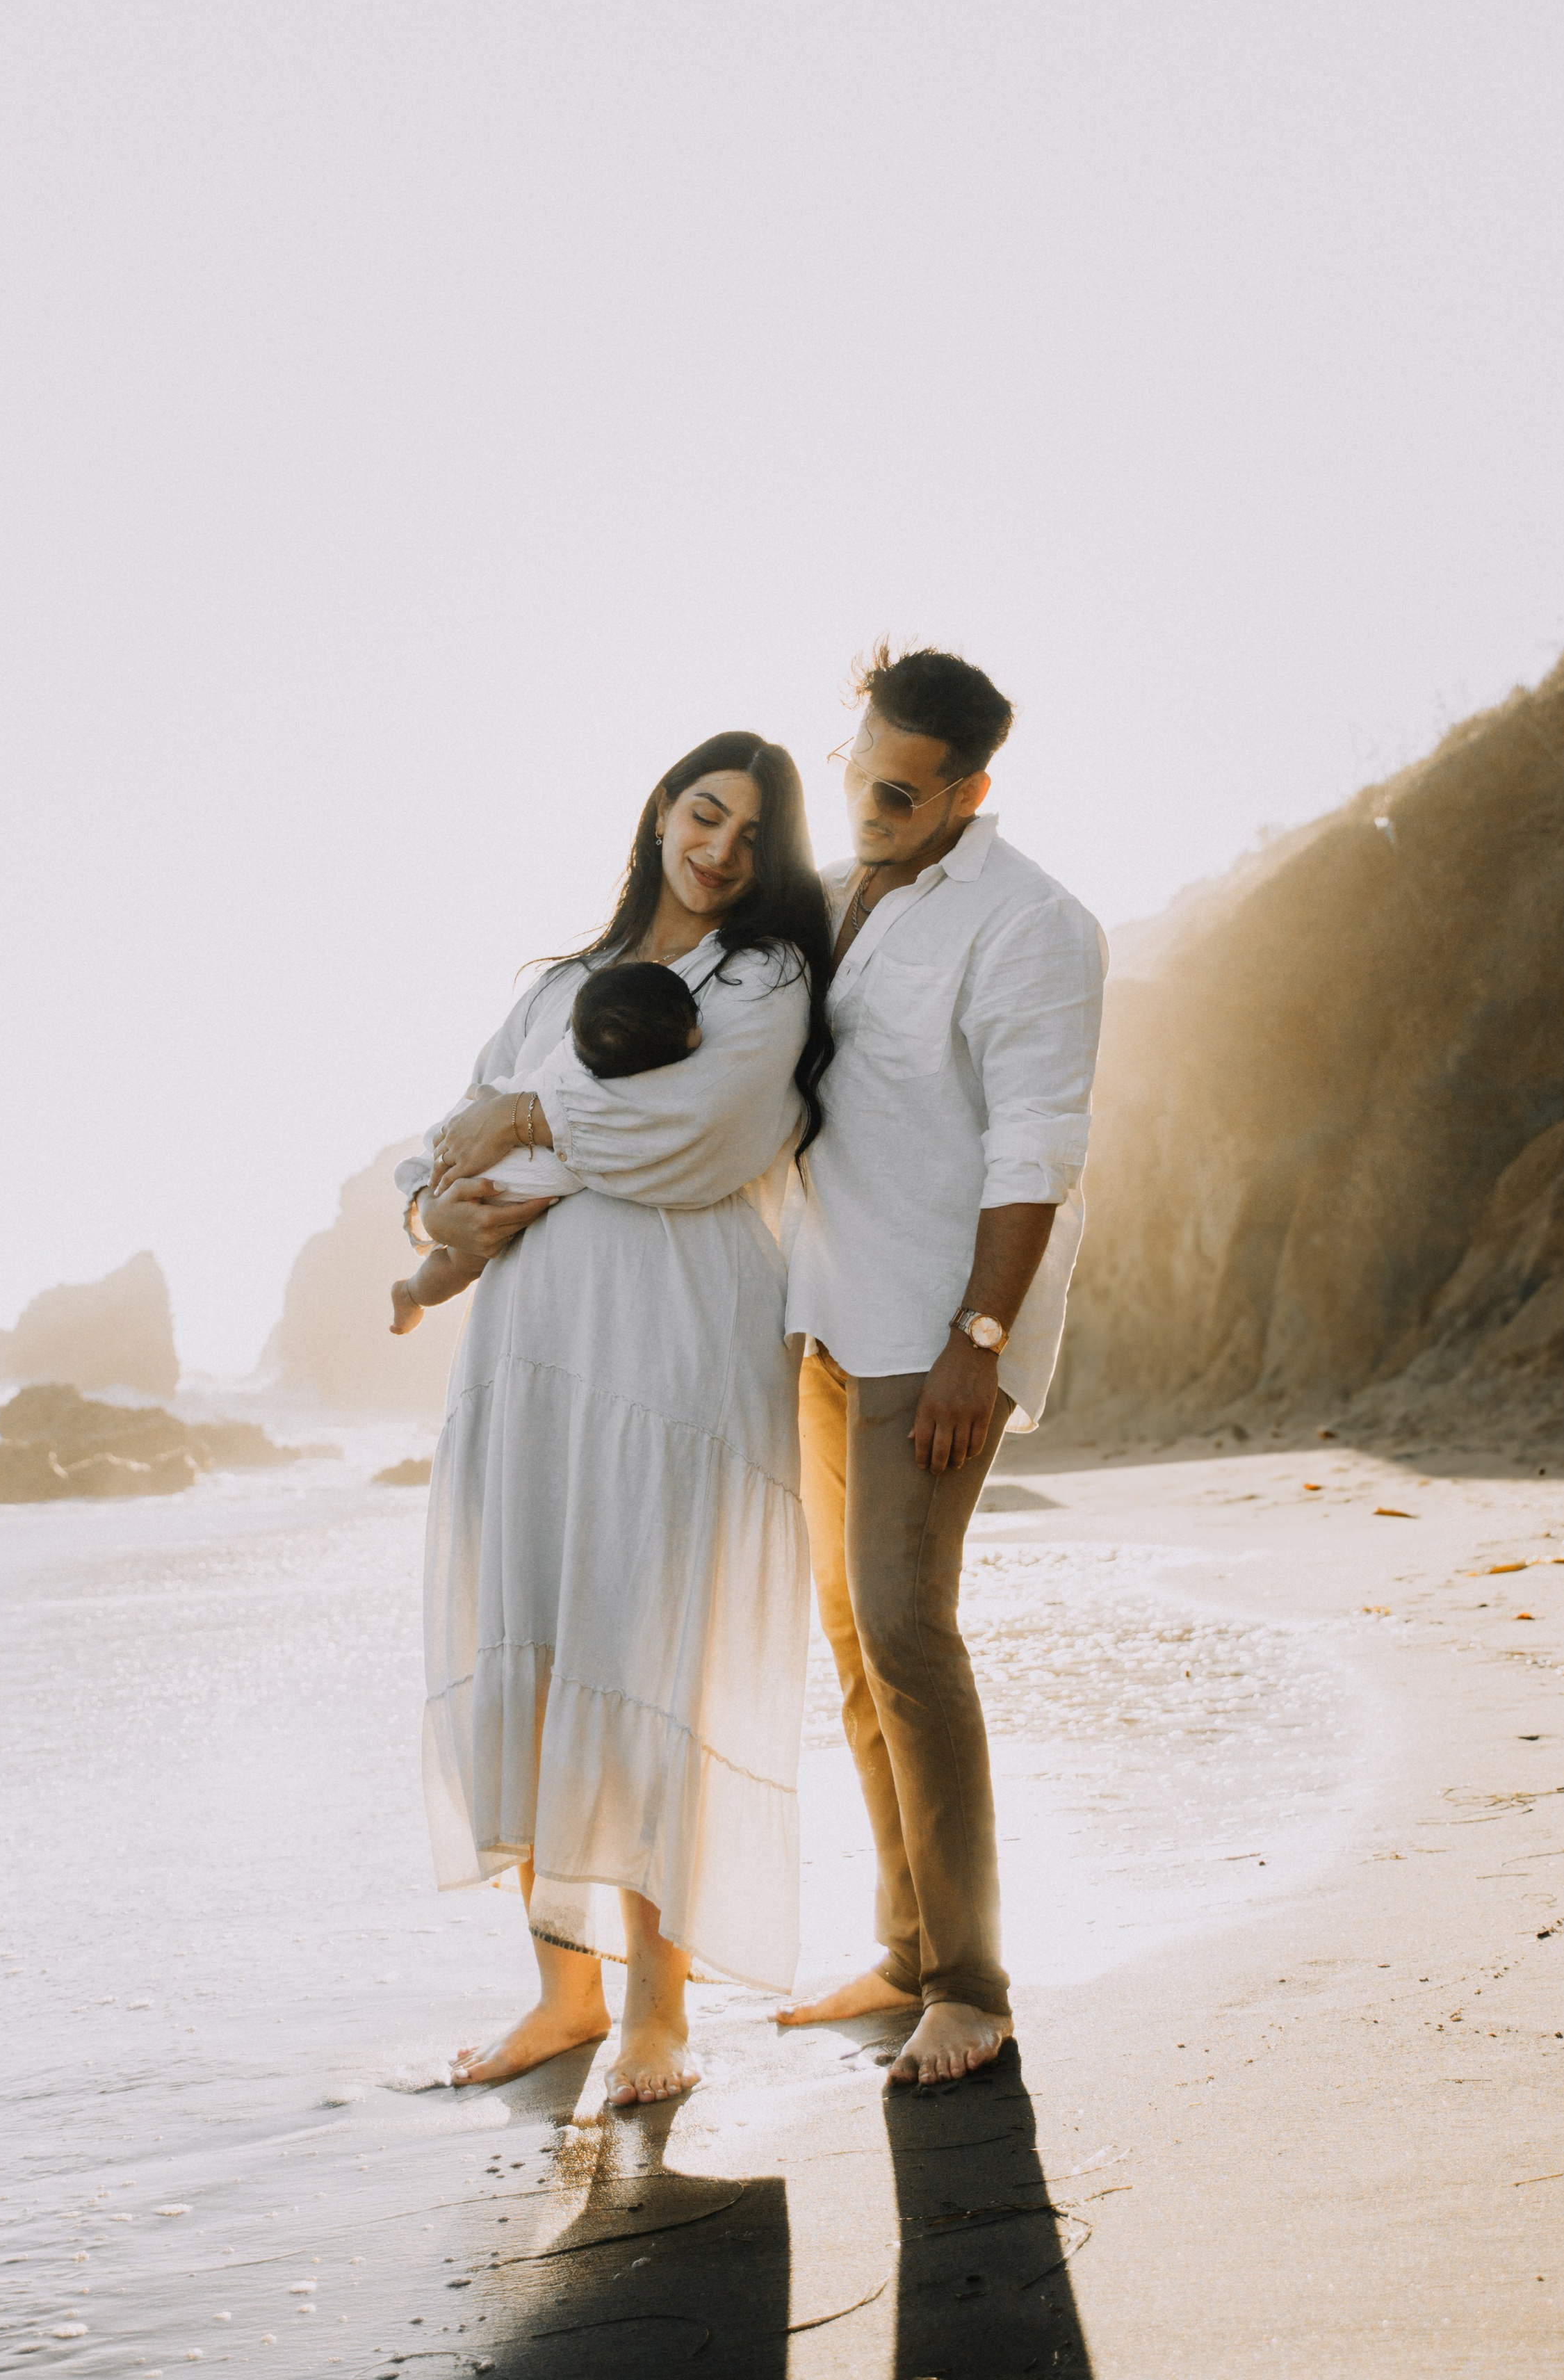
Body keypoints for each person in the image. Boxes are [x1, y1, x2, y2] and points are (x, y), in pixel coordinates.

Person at [405, 734, 834, 2105]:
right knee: (527, 1639)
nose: (719, 848)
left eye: (751, 836)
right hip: (527, 1354)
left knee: (652, 1660)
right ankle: (561, 1995)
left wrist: (522, 1123)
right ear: (659, 812)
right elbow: (445, 1139)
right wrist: (432, 1208)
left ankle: (659, 2011)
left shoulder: (765, 979)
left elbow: (698, 1135)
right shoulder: (552, 988)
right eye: (702, 813)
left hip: (674, 1354)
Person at [777, 645, 1106, 2089]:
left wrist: (980, 1343)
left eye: (901, 790)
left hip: (934, 1339)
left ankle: (970, 1985)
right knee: (854, 1648)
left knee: (910, 1638)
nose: (868, 802)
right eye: (857, 771)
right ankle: (904, 1947)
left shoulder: (1033, 926)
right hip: (823, 1323)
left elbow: (1035, 1143)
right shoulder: (843, 891)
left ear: (971, 789)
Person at [386, 964, 703, 1335]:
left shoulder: (574, 1048)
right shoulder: (622, 1105)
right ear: (691, 1038)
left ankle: (411, 1291)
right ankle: (411, 1294)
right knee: (460, 1265)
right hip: (485, 1189)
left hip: (477, 1122)